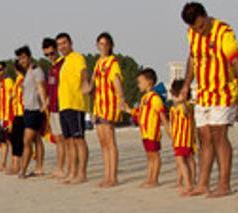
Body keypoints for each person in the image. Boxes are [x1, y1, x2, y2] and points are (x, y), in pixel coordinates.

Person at [176, 2, 238, 197]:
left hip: (224, 91)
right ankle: (202, 183)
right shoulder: (192, 33)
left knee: (219, 136)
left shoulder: (223, 31)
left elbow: (236, 61)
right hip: (203, 93)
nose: (200, 30)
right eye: (195, 28)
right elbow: (193, 59)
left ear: (206, 16)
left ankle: (224, 183)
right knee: (204, 137)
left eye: (201, 26)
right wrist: (186, 85)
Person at [56, 32, 92, 184]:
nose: (62, 47)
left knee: (79, 139)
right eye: (59, 44)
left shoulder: (77, 57)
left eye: (64, 43)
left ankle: (82, 173)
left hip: (75, 103)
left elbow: (83, 72)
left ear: (70, 43)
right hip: (63, 104)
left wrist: (85, 83)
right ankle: (72, 171)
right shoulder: (62, 62)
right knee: (69, 141)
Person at [92, 32, 127, 188]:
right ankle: (107, 175)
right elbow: (92, 85)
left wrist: (121, 100)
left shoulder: (113, 63)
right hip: (98, 106)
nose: (103, 47)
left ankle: (113, 176)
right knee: (103, 143)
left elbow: (117, 82)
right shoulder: (98, 63)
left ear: (110, 45)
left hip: (109, 105)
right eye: (100, 44)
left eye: (105, 44)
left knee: (110, 142)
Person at [15, 45, 48, 179]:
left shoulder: (36, 70)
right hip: (28, 110)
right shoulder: (28, 71)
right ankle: (39, 168)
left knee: (27, 141)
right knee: (37, 140)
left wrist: (44, 105)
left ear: (29, 56)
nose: (21, 61)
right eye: (19, 59)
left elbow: (41, 87)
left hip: (35, 110)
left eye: (23, 57)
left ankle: (23, 169)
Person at [133, 68, 167, 187]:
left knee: (155, 156)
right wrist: (126, 109)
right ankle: (149, 178)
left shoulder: (154, 98)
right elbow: (139, 113)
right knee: (149, 156)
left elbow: (161, 114)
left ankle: (155, 179)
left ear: (149, 82)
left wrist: (168, 129)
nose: (138, 85)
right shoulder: (144, 98)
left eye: (140, 82)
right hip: (145, 133)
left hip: (153, 132)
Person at [42, 37, 67, 180]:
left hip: (62, 106)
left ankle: (66, 168)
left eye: (51, 53)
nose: (49, 57)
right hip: (52, 108)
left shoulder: (63, 64)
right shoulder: (51, 68)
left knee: (64, 140)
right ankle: (60, 167)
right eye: (46, 55)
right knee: (58, 139)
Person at [168, 79, 195, 193]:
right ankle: (186, 180)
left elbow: (185, 111)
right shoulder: (173, 109)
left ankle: (188, 183)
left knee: (181, 160)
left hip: (183, 139)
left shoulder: (184, 107)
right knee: (188, 160)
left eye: (175, 94)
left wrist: (182, 100)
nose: (174, 97)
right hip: (179, 139)